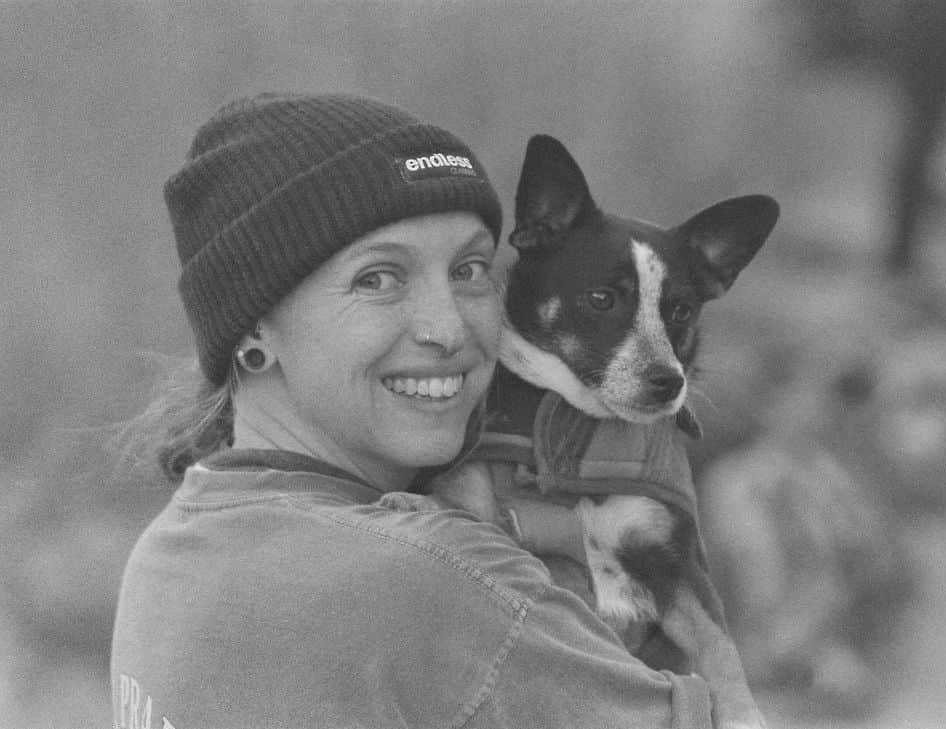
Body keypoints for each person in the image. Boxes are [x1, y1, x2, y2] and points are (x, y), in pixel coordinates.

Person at [111, 92, 718, 728]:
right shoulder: (437, 579)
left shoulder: (175, 545)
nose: (449, 328)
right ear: (252, 332)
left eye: (471, 268)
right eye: (378, 279)